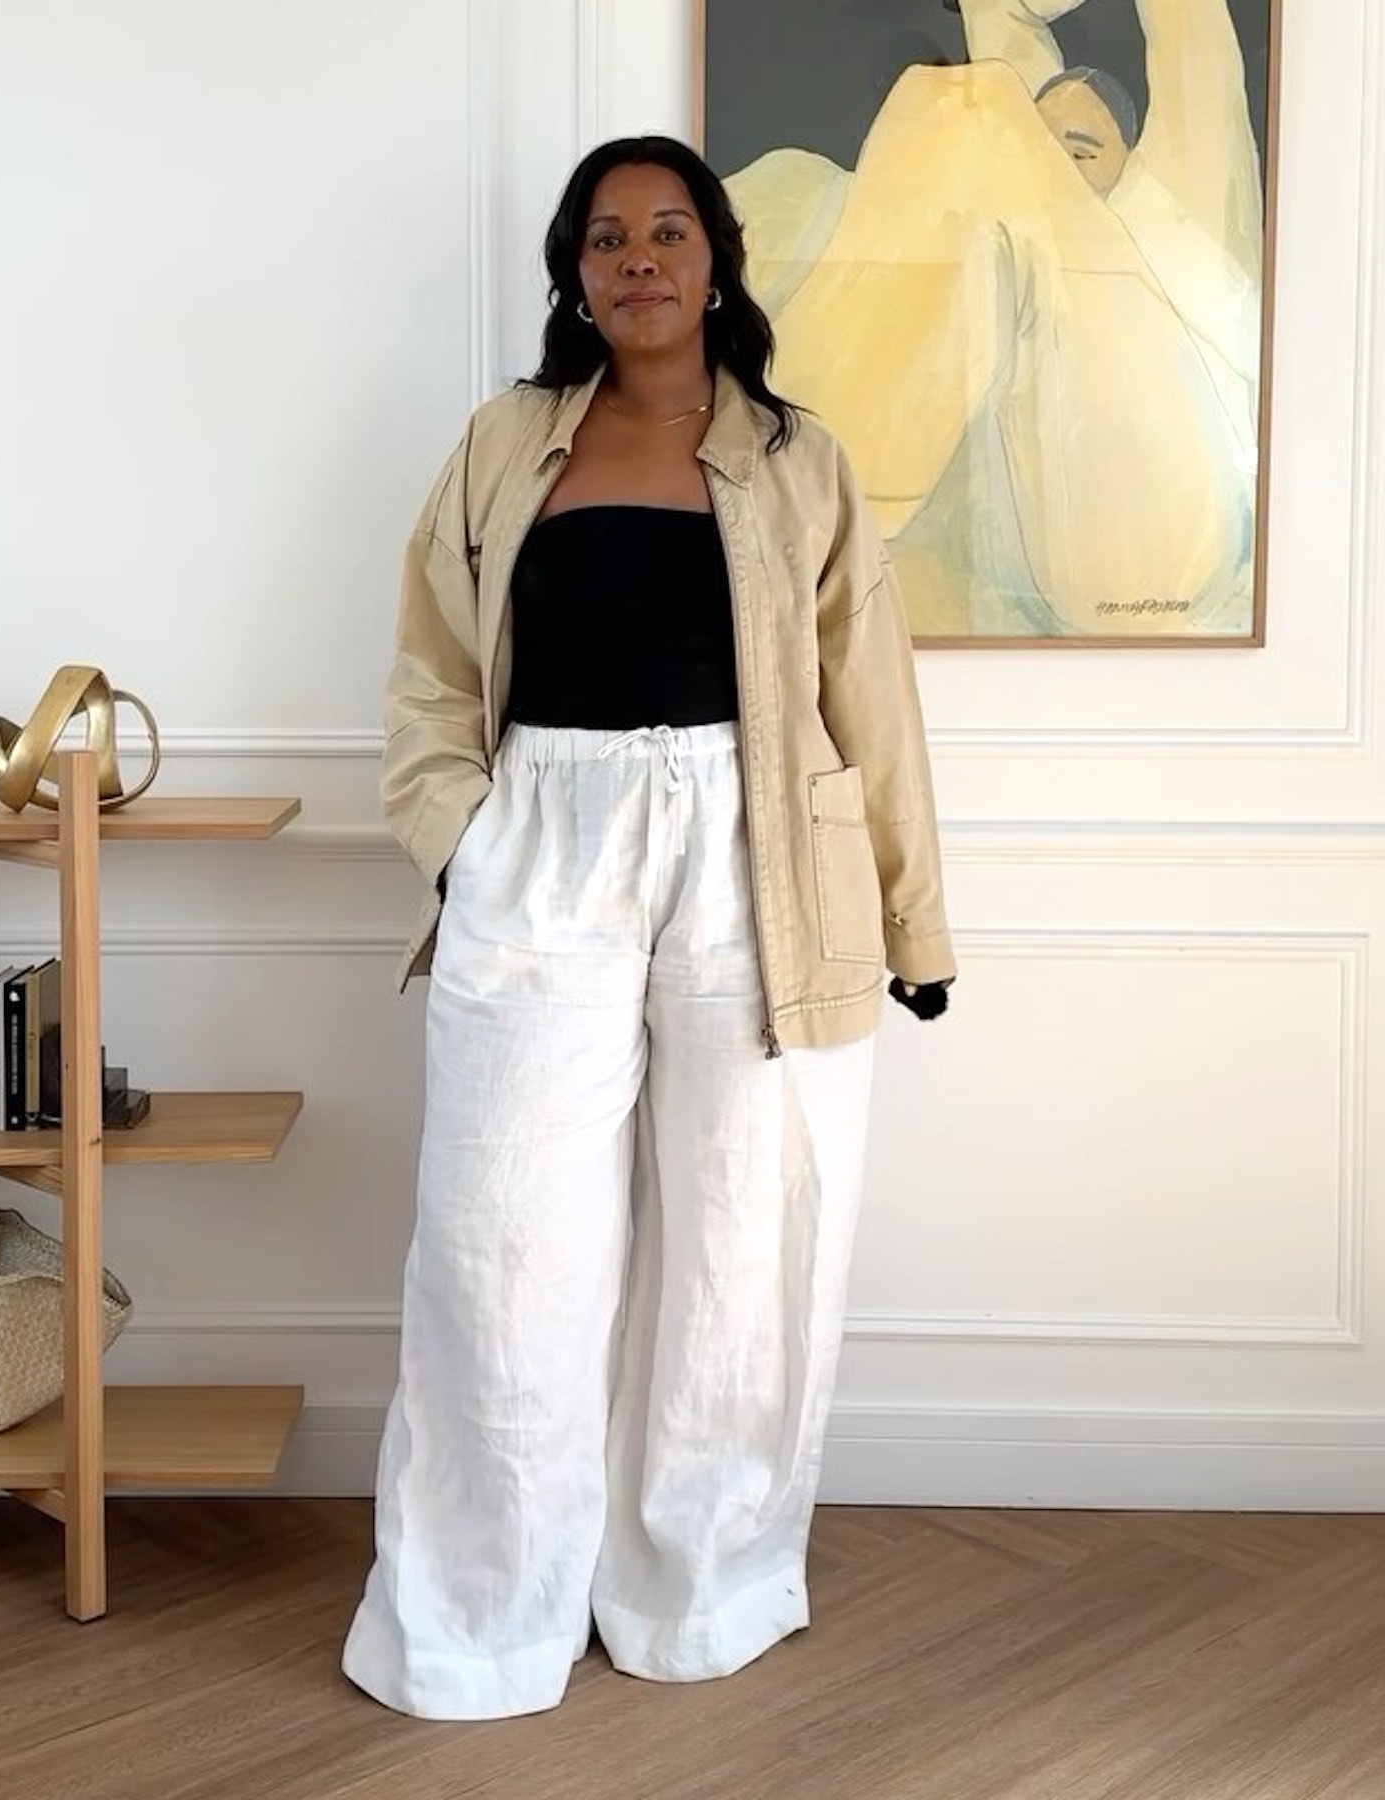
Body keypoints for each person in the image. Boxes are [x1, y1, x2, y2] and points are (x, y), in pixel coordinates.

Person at [341, 133, 956, 1723]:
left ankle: (703, 1592)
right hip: (540, 839)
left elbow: (867, 700)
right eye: (606, 238)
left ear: (716, 258)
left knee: (740, 1246)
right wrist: (464, 843)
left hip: (758, 861)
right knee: (502, 1246)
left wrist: (912, 921)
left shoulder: (797, 458)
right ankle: (480, 1620)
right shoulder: (503, 444)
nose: (638, 260)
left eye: (666, 232)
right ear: (575, 271)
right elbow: (424, 672)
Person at [728, 0, 1264, 638]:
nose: (1048, 171)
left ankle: (809, 497)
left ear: (1129, 160)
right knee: (799, 184)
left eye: (1081, 153)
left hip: (1171, 540)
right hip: (1056, 526)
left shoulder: (1177, 201)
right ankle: (816, 492)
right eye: (1043, 153)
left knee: (967, 109)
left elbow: (1190, 30)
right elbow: (1000, 17)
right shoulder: (1020, 255)